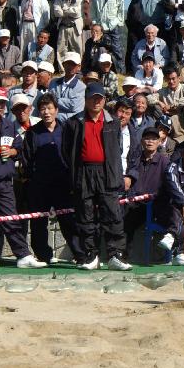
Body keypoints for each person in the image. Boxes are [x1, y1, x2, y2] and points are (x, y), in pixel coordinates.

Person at [0, 87, 47, 269]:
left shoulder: (9, 125)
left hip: (5, 181)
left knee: (12, 218)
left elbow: (20, 148)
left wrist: (13, 151)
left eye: (2, 102)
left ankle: (23, 254)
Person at [62, 82, 131, 271]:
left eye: (99, 98)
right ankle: (90, 255)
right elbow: (66, 151)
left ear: (104, 100)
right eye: (92, 98)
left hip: (107, 172)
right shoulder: (73, 123)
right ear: (85, 100)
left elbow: (116, 149)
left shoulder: (113, 122)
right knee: (85, 215)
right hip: (83, 172)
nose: (96, 102)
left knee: (113, 215)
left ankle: (115, 255)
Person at [20, 93, 78, 263]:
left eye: (49, 108)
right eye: (43, 109)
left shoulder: (66, 129)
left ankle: (80, 254)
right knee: (38, 223)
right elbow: (27, 159)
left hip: (63, 183)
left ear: (56, 110)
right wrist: (33, 180)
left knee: (68, 221)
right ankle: (43, 255)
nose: (46, 112)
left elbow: (72, 155)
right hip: (40, 185)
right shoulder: (32, 133)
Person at [91, 0, 126, 67]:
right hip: (100, 28)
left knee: (117, 50)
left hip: (114, 27)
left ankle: (120, 71)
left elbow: (120, 13)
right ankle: (97, 69)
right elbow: (93, 13)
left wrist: (114, 24)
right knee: (98, 50)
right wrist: (96, 26)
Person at [49, 52, 86, 121]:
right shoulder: (53, 82)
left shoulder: (81, 87)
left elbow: (75, 107)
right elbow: (49, 103)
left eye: (73, 64)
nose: (70, 67)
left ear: (79, 67)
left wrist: (55, 100)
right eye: (68, 64)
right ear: (63, 65)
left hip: (70, 125)